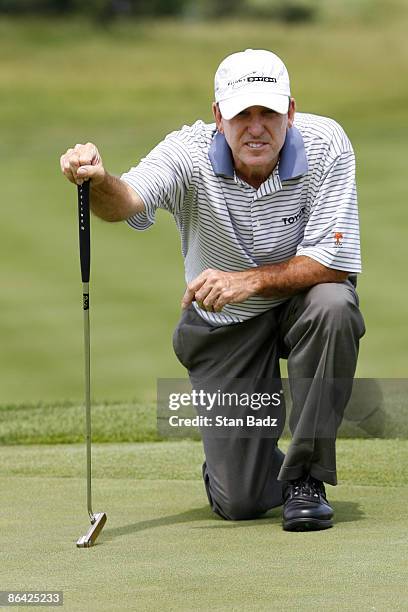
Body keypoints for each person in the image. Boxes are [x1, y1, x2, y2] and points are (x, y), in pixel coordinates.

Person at [60, 49, 365, 531]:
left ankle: (307, 476)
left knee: (334, 306)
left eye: (268, 112)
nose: (256, 126)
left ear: (291, 111)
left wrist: (250, 280)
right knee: (240, 502)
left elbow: (335, 264)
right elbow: (126, 202)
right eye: (242, 113)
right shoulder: (187, 153)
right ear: (218, 116)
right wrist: (97, 181)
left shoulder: (327, 144)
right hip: (225, 327)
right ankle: (239, 467)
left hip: (301, 306)